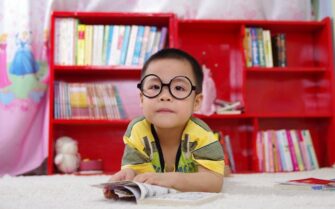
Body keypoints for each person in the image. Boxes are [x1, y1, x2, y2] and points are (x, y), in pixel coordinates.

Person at [106, 48, 224, 194]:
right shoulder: (137, 131)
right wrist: (129, 175)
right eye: (155, 87)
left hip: (199, 170)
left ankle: (224, 166)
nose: (165, 96)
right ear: (142, 98)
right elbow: (138, 172)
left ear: (196, 102)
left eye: (179, 87)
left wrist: (170, 180)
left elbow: (214, 182)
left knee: (222, 171)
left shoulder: (202, 134)